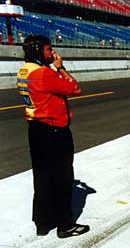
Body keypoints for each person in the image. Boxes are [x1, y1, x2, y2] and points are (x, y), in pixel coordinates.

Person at [16, 35, 89, 238]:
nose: (53, 53)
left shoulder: (24, 70)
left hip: (36, 129)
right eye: (49, 49)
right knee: (63, 178)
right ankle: (66, 225)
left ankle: (42, 222)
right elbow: (75, 88)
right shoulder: (44, 73)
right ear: (39, 51)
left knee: (41, 178)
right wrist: (60, 68)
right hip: (54, 130)